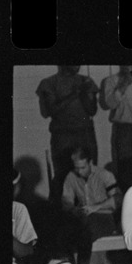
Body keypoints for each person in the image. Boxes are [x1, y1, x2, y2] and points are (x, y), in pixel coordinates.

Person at [36, 66, 99, 197]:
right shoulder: (49, 82)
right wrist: (74, 93)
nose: (76, 65)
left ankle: (90, 211)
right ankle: (62, 213)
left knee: (89, 173)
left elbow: (92, 110)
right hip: (63, 135)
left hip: (85, 133)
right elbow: (49, 111)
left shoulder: (86, 80)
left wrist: (84, 93)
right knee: (63, 174)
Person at [59, 148, 121, 264]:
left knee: (85, 231)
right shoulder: (71, 176)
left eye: (82, 167)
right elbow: (66, 202)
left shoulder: (104, 175)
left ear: (90, 163)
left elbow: (117, 200)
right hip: (84, 218)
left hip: (105, 219)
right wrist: (74, 209)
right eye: (77, 168)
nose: (79, 171)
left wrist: (95, 207)